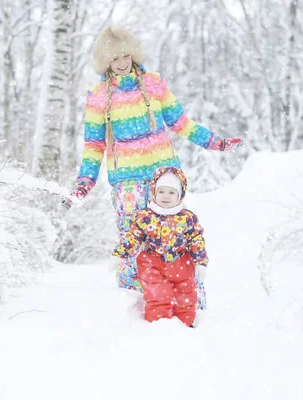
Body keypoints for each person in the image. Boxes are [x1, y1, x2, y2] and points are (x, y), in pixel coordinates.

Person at [62, 26, 242, 310]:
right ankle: (137, 305)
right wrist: (85, 181)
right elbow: (94, 144)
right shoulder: (99, 96)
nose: (121, 62)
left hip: (163, 174)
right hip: (127, 180)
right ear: (105, 62)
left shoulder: (153, 84)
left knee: (174, 237)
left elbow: (180, 123)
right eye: (114, 58)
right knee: (133, 237)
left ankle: (187, 301)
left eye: (125, 55)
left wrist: (214, 142)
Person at [112, 166, 207, 327]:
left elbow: (196, 240)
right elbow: (132, 237)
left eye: (171, 193)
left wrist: (201, 262)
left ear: (180, 195)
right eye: (161, 191)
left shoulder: (187, 218)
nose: (165, 196)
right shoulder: (145, 216)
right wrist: (119, 254)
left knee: (186, 297)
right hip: (152, 263)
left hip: (182, 264)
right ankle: (158, 326)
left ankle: (186, 327)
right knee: (159, 296)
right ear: (154, 192)